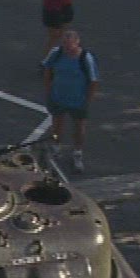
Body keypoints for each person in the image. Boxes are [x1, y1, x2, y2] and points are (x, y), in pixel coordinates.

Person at [41, 29, 98, 172]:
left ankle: (77, 153)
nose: (67, 48)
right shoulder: (56, 53)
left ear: (77, 42)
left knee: (78, 127)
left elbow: (93, 81)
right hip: (57, 97)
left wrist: (88, 100)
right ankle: (56, 147)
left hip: (78, 101)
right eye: (65, 45)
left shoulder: (85, 58)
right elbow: (47, 69)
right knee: (57, 124)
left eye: (70, 45)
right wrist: (48, 90)